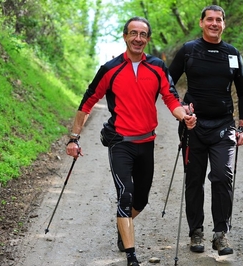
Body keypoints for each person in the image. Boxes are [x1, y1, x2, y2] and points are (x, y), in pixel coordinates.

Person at [65, 17, 196, 266]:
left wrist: (185, 117)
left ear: (147, 39)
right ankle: (131, 255)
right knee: (125, 195)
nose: (138, 38)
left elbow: (171, 99)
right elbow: (87, 103)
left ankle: (122, 227)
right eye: (133, 33)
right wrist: (74, 138)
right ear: (125, 36)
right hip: (120, 142)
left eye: (143, 34)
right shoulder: (110, 69)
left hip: (146, 142)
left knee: (141, 199)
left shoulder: (157, 67)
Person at [168, 5, 243, 256]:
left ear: (224, 24)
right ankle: (196, 232)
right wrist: (181, 107)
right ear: (202, 23)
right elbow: (167, 82)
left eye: (219, 20)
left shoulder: (232, 54)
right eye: (210, 19)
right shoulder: (189, 50)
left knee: (223, 177)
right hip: (193, 126)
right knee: (194, 180)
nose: (214, 23)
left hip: (223, 126)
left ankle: (220, 234)